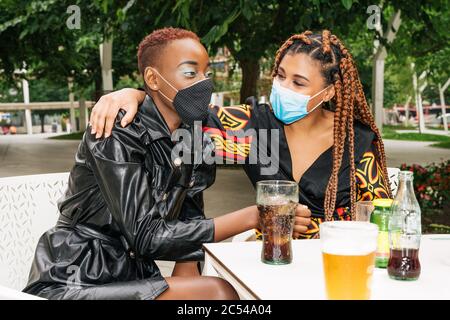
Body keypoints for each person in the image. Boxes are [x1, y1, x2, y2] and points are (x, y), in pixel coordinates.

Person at [22, 27, 268, 300]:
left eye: (205, 73)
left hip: (133, 278)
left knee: (220, 289)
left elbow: (188, 236)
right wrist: (253, 217)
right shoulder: (116, 130)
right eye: (190, 73)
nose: (203, 83)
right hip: (75, 277)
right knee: (218, 292)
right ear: (153, 78)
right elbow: (146, 236)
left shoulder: (194, 139)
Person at [90, 30, 392, 239]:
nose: (283, 88)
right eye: (280, 76)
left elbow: (383, 221)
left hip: (336, 260)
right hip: (269, 253)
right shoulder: (252, 124)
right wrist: (136, 94)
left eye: (298, 83)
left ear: (328, 92)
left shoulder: (357, 143)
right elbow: (186, 111)